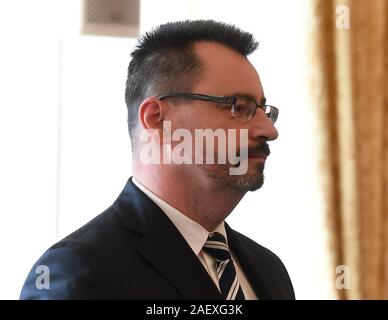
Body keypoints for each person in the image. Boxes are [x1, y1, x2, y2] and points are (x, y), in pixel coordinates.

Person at [20, 20, 295, 300]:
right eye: (238, 106)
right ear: (157, 119)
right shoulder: (77, 271)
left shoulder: (269, 269)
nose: (269, 130)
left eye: (264, 111)